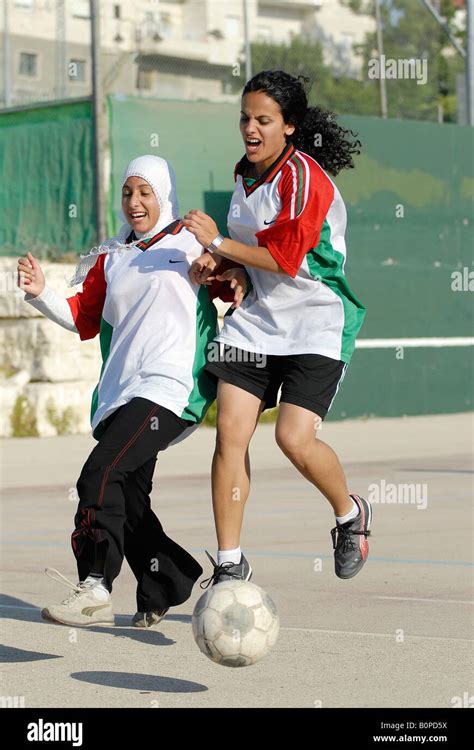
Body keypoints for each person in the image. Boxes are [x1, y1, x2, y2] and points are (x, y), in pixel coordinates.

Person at [17, 154, 248, 627]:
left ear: (163, 194)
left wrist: (224, 267)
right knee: (130, 501)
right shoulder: (111, 255)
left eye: (145, 192)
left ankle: (95, 584)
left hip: (172, 389)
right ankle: (170, 579)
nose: (135, 202)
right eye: (127, 193)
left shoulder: (191, 243)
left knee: (101, 472)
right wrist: (41, 292)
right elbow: (81, 316)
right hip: (123, 392)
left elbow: (236, 281)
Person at [183, 70, 371, 586]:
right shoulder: (245, 174)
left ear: (289, 126)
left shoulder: (304, 178)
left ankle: (349, 514)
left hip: (316, 323)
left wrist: (218, 244)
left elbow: (287, 259)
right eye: (245, 117)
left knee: (293, 438)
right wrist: (225, 270)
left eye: (263, 119)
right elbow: (257, 260)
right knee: (230, 435)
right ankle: (228, 563)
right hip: (257, 326)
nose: (250, 127)